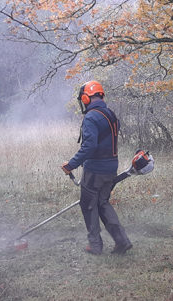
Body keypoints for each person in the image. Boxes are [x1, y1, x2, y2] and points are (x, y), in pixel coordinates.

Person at [61, 80, 132, 255]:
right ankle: (121, 241)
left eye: (83, 98)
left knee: (89, 205)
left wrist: (71, 165)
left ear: (86, 98)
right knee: (102, 203)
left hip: (95, 170)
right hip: (111, 168)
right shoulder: (111, 114)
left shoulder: (91, 117)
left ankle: (95, 245)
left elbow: (89, 146)